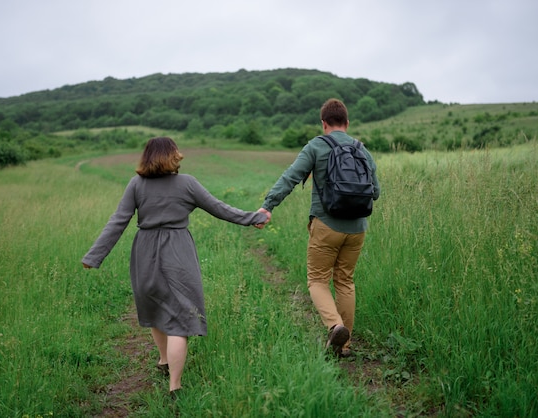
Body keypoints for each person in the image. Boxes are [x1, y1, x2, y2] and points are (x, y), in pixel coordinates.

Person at [81, 137, 269, 397]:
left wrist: (94, 256)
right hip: (177, 252)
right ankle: (175, 386)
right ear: (173, 156)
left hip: (145, 252)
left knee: (155, 309)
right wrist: (255, 218)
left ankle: (164, 360)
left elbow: (118, 221)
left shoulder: (136, 184)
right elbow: (219, 208)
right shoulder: (187, 183)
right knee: (180, 321)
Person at [258, 98, 380, 357]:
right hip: (357, 228)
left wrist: (268, 205)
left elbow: (290, 177)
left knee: (317, 280)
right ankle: (344, 346)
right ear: (347, 123)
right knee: (345, 281)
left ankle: (335, 326)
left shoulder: (316, 146)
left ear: (323, 123)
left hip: (326, 225)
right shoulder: (362, 150)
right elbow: (376, 192)